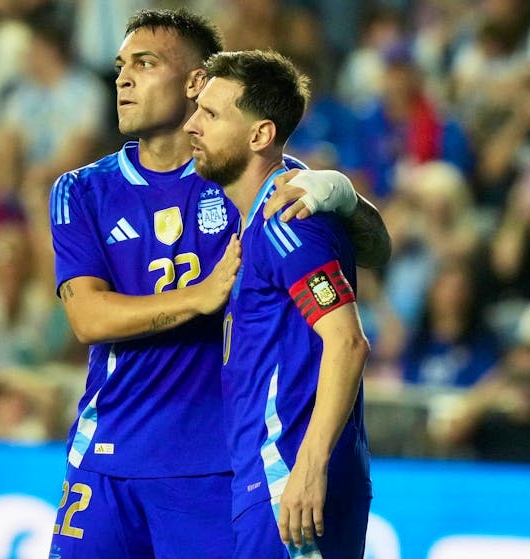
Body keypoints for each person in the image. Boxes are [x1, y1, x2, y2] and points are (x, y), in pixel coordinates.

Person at [47, 9, 390, 559]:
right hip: (106, 455)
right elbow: (88, 319)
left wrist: (342, 194)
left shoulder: (249, 176)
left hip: (218, 465)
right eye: (121, 65)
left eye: (145, 63)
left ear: (196, 81)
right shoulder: (82, 190)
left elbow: (369, 253)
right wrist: (200, 297)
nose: (123, 79)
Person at [184, 50, 372, 558]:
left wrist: (308, 467)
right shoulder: (261, 218)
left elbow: (348, 342)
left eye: (211, 114)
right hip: (271, 479)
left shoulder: (287, 221)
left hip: (288, 478)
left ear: (260, 135)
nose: (191, 125)